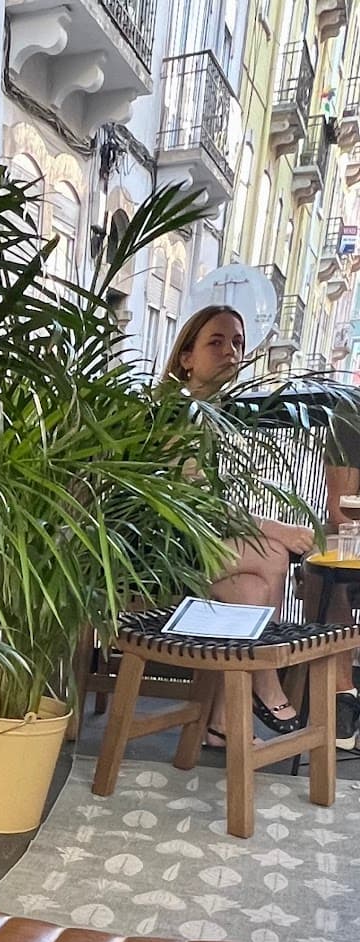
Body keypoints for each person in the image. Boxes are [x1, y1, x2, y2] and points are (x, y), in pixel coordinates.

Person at [163, 306, 315, 747]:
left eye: (237, 342)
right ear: (186, 357)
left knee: (251, 590)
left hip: (196, 546)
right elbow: (196, 505)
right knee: (271, 553)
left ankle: (222, 723)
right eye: (216, 341)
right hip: (163, 553)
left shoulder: (212, 413)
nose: (230, 351)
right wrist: (276, 528)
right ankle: (265, 681)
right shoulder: (179, 412)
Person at [310, 396, 360, 749]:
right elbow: (341, 508)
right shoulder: (353, 410)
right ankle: (342, 694)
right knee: (319, 566)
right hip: (355, 535)